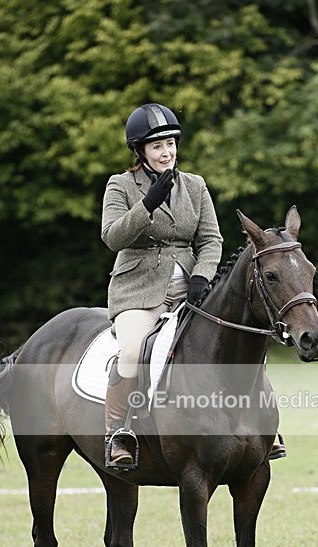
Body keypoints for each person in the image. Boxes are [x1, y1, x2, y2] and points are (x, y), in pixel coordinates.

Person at [101, 102, 223, 468]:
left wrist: (202, 276)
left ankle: (257, 425)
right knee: (133, 351)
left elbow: (212, 239)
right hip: (138, 291)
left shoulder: (195, 186)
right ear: (140, 151)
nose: (166, 151)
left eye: (170, 143)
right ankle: (117, 432)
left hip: (190, 289)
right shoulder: (120, 185)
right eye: (157, 146)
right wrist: (147, 206)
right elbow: (111, 237)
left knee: (234, 338)